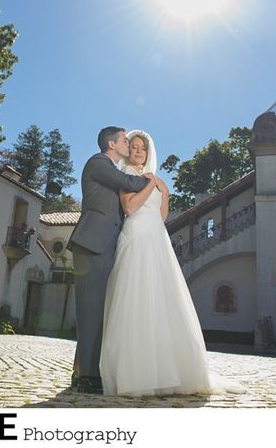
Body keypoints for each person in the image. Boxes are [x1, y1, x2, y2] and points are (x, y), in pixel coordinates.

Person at [99, 130, 244, 396]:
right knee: (137, 298)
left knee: (162, 300)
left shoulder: (153, 178)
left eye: (142, 147)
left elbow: (160, 216)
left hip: (157, 237)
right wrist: (149, 186)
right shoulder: (126, 175)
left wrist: (164, 194)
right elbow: (130, 208)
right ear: (128, 150)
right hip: (137, 236)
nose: (138, 151)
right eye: (134, 146)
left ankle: (167, 372)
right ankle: (135, 374)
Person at [67, 127, 150, 394]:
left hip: (103, 247)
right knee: (91, 311)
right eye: (125, 141)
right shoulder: (99, 163)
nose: (128, 144)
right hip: (91, 245)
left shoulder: (108, 167)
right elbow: (130, 184)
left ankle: (81, 373)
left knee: (96, 311)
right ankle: (89, 377)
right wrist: (151, 180)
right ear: (112, 144)